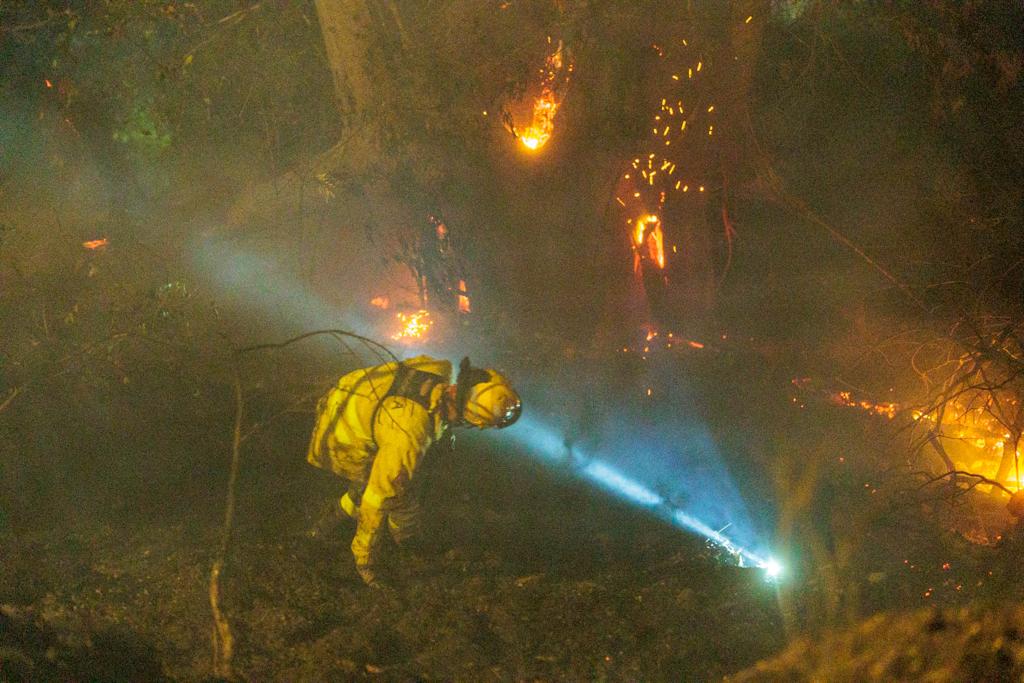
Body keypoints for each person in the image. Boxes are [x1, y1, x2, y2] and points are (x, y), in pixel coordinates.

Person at [305, 355, 521, 587]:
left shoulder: (439, 368)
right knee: (392, 488)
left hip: (348, 398)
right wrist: (366, 563)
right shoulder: (410, 435)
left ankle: (338, 528)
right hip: (341, 439)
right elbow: (377, 500)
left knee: (397, 476)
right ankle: (347, 530)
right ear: (471, 418)